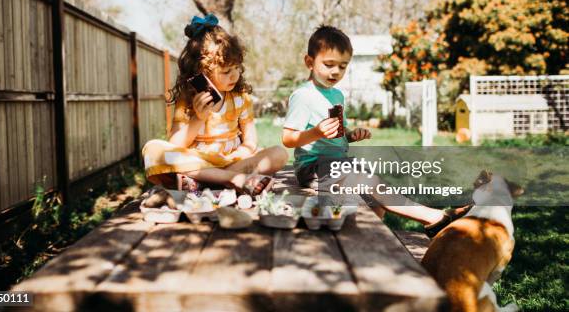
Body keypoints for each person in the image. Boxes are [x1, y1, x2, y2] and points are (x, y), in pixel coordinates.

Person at [281, 25, 469, 236]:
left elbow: (337, 133)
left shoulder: (337, 95)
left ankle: (370, 238)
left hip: (339, 164)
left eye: (343, 66)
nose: (336, 71)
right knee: (371, 183)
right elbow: (288, 139)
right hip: (313, 168)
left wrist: (350, 135)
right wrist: (315, 133)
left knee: (376, 197)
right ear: (309, 62)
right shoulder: (303, 96)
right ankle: (435, 218)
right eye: (329, 64)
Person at [143, 14, 288, 195]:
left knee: (279, 154)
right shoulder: (188, 100)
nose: (234, 76)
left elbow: (251, 140)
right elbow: (175, 144)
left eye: (237, 68)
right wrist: (198, 118)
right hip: (198, 162)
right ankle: (230, 179)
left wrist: (242, 153)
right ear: (201, 71)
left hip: (233, 160)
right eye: (226, 71)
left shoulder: (240, 97)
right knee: (153, 150)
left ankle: (205, 182)